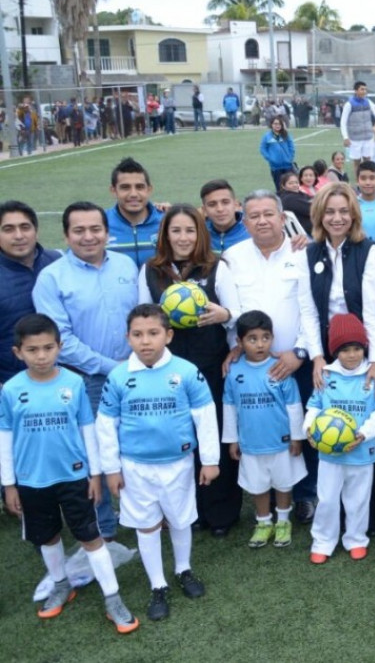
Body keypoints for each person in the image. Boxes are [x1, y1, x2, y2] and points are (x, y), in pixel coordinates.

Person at [0, 315, 138, 632]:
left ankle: (113, 597)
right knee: (47, 536)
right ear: (18, 352)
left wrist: (95, 474)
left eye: (48, 348)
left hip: (75, 478)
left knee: (90, 536)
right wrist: (9, 484)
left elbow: (87, 429)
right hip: (31, 481)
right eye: (32, 350)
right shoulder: (11, 390)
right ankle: (61, 584)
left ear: (59, 348)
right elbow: (4, 437)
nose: (41, 356)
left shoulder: (74, 383)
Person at [96, 304, 219, 622]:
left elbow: (205, 417)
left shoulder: (187, 372)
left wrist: (210, 460)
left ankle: (183, 569)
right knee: (147, 525)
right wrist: (111, 468)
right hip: (135, 468)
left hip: (178, 463)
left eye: (153, 333)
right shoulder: (118, 376)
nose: (145, 341)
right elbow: (106, 425)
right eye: (137, 334)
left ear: (169, 335)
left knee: (180, 520)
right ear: (128, 338)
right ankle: (158, 584)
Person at [33, 202, 138, 540]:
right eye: (79, 230)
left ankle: (141, 512)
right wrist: (112, 367)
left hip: (133, 373)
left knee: (135, 442)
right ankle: (103, 526)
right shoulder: (52, 278)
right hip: (86, 380)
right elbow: (61, 340)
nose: (88, 236)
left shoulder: (124, 264)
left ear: (107, 232)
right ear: (66, 235)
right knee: (94, 452)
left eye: (95, 229)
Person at [137, 204, 242, 537]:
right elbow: (143, 317)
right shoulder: (151, 270)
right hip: (169, 373)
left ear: (200, 234)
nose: (183, 238)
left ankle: (221, 512)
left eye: (190, 230)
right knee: (180, 440)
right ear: (165, 235)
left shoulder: (216, 267)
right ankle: (187, 511)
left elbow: (237, 313)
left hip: (210, 367)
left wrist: (224, 315)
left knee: (214, 435)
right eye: (176, 231)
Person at [222, 191, 323, 525]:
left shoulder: (304, 252)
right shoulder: (232, 257)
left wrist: (300, 352)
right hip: (252, 365)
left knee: (304, 428)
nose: (262, 221)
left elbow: (312, 309)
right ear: (244, 221)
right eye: (254, 215)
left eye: (269, 214)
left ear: (282, 218)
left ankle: (306, 495)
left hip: (297, 362)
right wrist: (235, 346)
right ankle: (265, 500)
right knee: (264, 430)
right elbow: (231, 311)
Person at [305, 183, 375, 535]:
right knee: (329, 425)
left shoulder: (368, 250)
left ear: (354, 215)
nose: (337, 218)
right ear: (319, 216)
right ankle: (331, 520)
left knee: (366, 427)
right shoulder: (309, 252)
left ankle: (373, 519)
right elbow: (308, 311)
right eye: (330, 211)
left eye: (343, 211)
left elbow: (372, 310)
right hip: (329, 351)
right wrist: (316, 357)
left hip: (361, 348)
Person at [303, 313, 375, 564]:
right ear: (335, 351)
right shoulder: (326, 376)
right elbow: (314, 407)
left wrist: (363, 433)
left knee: (358, 499)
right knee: (327, 499)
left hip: (361, 452)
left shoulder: (373, 377)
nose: (352, 355)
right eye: (345, 350)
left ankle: (356, 539)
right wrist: (309, 429)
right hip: (330, 455)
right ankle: (322, 542)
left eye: (357, 349)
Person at [222, 310, 306, 549]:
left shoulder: (280, 368)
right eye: (252, 339)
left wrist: (297, 437)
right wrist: (232, 440)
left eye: (265, 338)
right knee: (257, 485)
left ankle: (283, 521)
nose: (260, 344)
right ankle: (263, 522)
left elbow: (293, 405)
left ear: (272, 338)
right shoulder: (234, 371)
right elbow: (229, 406)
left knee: (283, 483)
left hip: (281, 441)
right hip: (250, 443)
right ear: (239, 342)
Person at [0, 201, 61, 385]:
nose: (19, 236)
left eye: (25, 227)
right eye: (8, 229)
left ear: (36, 231)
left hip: (61, 376)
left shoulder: (57, 261)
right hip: (10, 382)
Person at [106, 158, 164, 268]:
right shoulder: (100, 224)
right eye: (125, 187)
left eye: (139, 187)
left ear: (149, 190)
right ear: (113, 191)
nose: (133, 194)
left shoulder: (166, 221)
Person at [200, 180, 251, 254]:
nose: (220, 209)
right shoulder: (199, 234)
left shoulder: (252, 232)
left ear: (236, 205)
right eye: (212, 204)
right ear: (204, 210)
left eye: (225, 202)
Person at [341, 82, 375, 170]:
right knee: (357, 162)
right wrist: (345, 137)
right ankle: (358, 178)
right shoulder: (349, 104)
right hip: (355, 138)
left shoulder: (369, 102)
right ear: (356, 91)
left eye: (365, 89)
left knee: (367, 160)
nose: (364, 91)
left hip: (368, 137)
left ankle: (367, 177)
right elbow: (343, 122)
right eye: (362, 89)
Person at [260, 117, 295, 189]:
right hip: (275, 167)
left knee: (290, 186)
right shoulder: (267, 136)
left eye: (279, 124)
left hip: (288, 166)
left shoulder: (286, 134)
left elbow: (291, 147)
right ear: (271, 125)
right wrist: (270, 158)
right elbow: (263, 149)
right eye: (275, 124)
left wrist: (290, 157)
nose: (277, 125)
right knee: (279, 187)